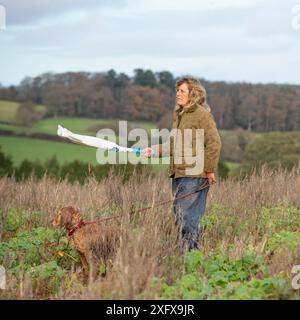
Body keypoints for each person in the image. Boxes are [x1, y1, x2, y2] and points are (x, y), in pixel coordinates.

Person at [143, 77, 221, 254]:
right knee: (180, 218)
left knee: (188, 220)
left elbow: (214, 143)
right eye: (177, 91)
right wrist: (153, 151)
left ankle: (192, 258)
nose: (178, 94)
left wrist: (209, 170)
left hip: (194, 175)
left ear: (192, 94)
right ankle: (185, 257)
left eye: (182, 91)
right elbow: (173, 144)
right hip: (178, 175)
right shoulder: (179, 115)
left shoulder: (202, 114)